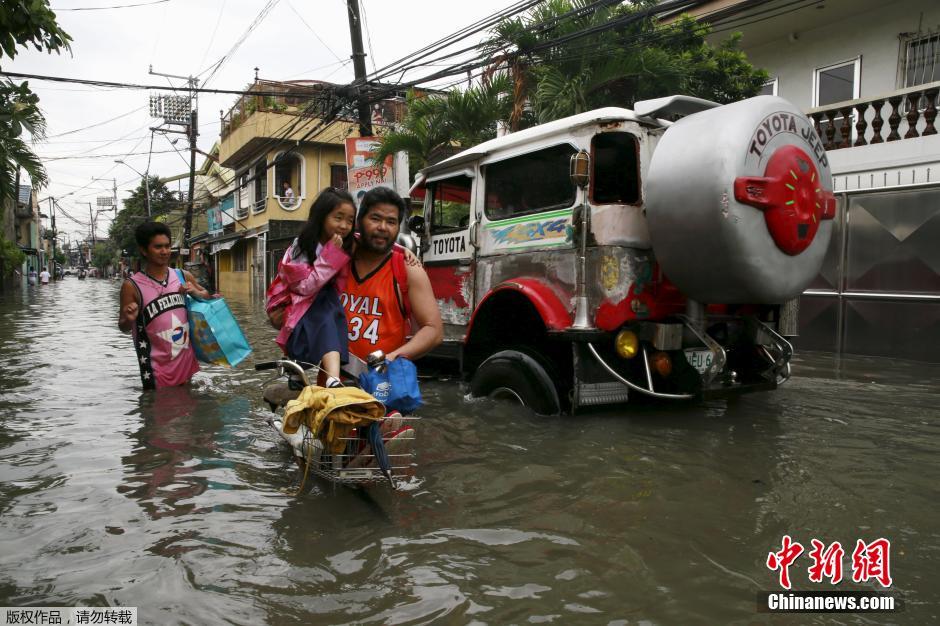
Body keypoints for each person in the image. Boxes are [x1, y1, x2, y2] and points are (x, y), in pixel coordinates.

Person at [343, 187, 443, 363]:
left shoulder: (408, 269)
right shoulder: (337, 256)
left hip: (382, 378)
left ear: (398, 227)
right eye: (375, 218)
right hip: (330, 378)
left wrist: (388, 359)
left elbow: (434, 330)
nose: (383, 227)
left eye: (391, 222)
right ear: (359, 220)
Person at [118, 222, 214, 390]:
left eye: (167, 246)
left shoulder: (183, 275)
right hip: (155, 373)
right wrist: (129, 318)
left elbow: (207, 296)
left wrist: (194, 292)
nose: (164, 251)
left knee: (189, 402)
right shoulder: (131, 286)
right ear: (144, 250)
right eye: (158, 247)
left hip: (186, 366)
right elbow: (123, 326)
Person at [274, 187, 355, 385]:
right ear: (321, 217)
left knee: (330, 316)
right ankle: (328, 377)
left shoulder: (346, 242)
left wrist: (405, 251)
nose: (344, 226)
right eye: (338, 218)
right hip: (296, 305)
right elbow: (304, 287)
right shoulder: (301, 245)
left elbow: (372, 242)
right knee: (325, 312)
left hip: (322, 304)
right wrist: (330, 255)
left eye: (350, 220)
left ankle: (331, 378)